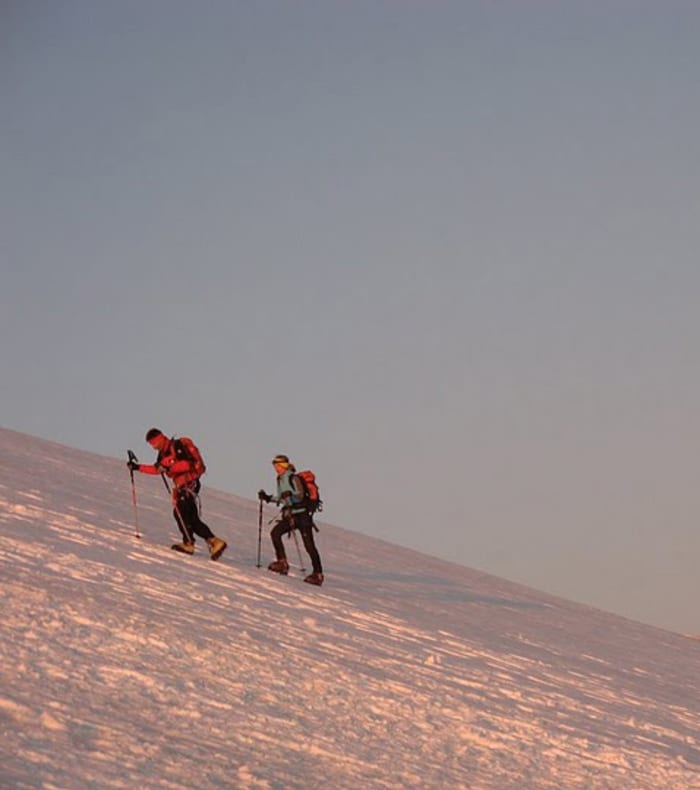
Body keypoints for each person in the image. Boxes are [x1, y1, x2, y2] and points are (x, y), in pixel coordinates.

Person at [128, 428, 227, 560]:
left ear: (160, 438)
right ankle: (214, 542)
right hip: (183, 485)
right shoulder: (162, 455)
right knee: (190, 517)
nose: (153, 447)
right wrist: (138, 467)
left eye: (153, 443)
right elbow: (157, 469)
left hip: (188, 483)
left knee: (180, 512)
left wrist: (169, 468)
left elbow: (187, 464)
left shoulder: (177, 446)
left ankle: (189, 543)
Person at [258, 454, 324, 585]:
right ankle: (282, 562)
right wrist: (268, 498)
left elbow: (299, 496)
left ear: (283, 465)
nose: (275, 467)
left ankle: (318, 573)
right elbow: (283, 498)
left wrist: (290, 496)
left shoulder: (293, 478)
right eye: (274, 465)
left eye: (277, 465)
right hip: (292, 515)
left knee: (309, 545)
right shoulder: (280, 478)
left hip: (302, 515)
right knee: (275, 533)